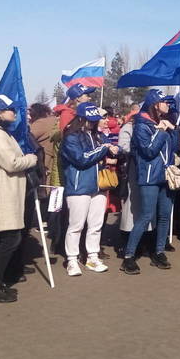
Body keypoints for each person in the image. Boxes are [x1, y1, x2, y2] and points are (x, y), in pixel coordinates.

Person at [0, 95, 39, 303]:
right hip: (0, 195)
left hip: (3, 193)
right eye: (10, 109)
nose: (14, 112)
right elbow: (11, 163)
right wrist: (31, 159)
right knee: (9, 239)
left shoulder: (0, 133)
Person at [121, 90, 180, 274]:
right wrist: (162, 131)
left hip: (165, 175)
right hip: (149, 177)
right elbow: (148, 151)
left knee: (164, 215)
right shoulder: (141, 125)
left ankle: (159, 251)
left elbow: (174, 147)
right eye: (164, 102)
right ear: (155, 104)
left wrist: (174, 130)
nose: (168, 105)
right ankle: (128, 256)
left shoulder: (161, 123)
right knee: (146, 216)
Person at [61, 103, 117, 276]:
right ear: (81, 118)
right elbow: (81, 159)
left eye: (95, 120)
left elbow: (111, 148)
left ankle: (92, 256)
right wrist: (104, 149)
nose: (94, 123)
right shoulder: (71, 137)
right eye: (90, 120)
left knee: (96, 224)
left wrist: (114, 149)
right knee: (76, 225)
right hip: (79, 187)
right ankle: (72, 259)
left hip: (98, 185)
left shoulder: (98, 136)